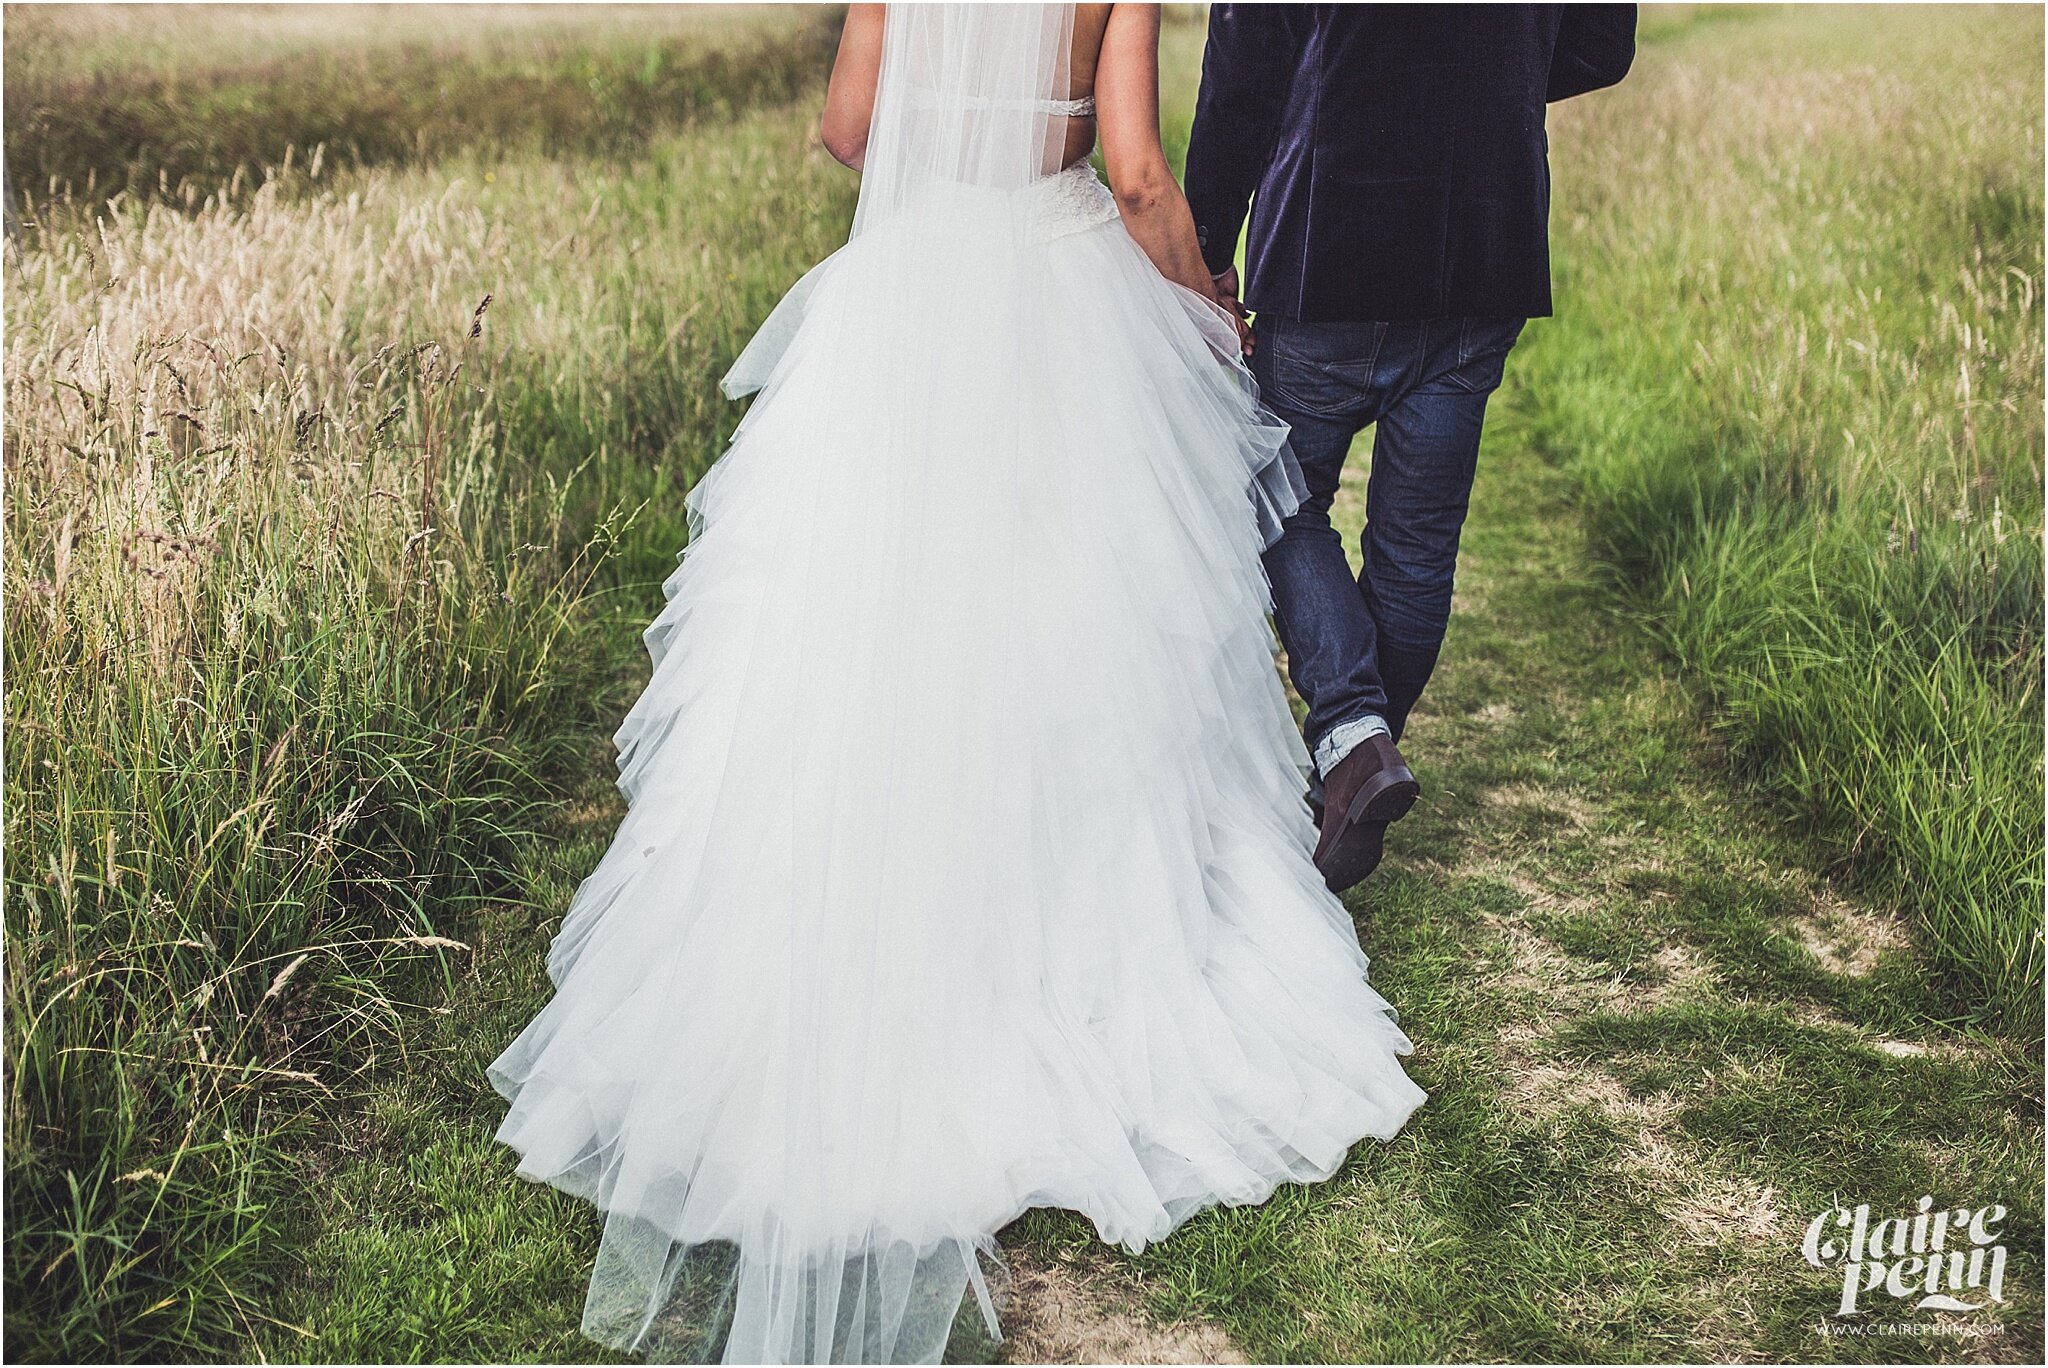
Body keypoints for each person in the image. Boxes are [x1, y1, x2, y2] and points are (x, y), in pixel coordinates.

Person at [488, 5, 1425, 1362]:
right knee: (1077, 644)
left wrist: (946, 158)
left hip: (906, 293)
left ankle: (854, 960)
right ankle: (1071, 974)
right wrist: (1202, 301)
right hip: (1058, 281)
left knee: (856, 639)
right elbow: (1141, 175)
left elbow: (848, 128)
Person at [1185, 3, 1638, 893]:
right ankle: (1355, 759)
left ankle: (1353, 732)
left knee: (1266, 493)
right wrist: (1478, 85)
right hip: (1487, 235)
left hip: (1332, 239)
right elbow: (1600, 44)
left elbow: (1247, 61)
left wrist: (1205, 245)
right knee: (1417, 547)